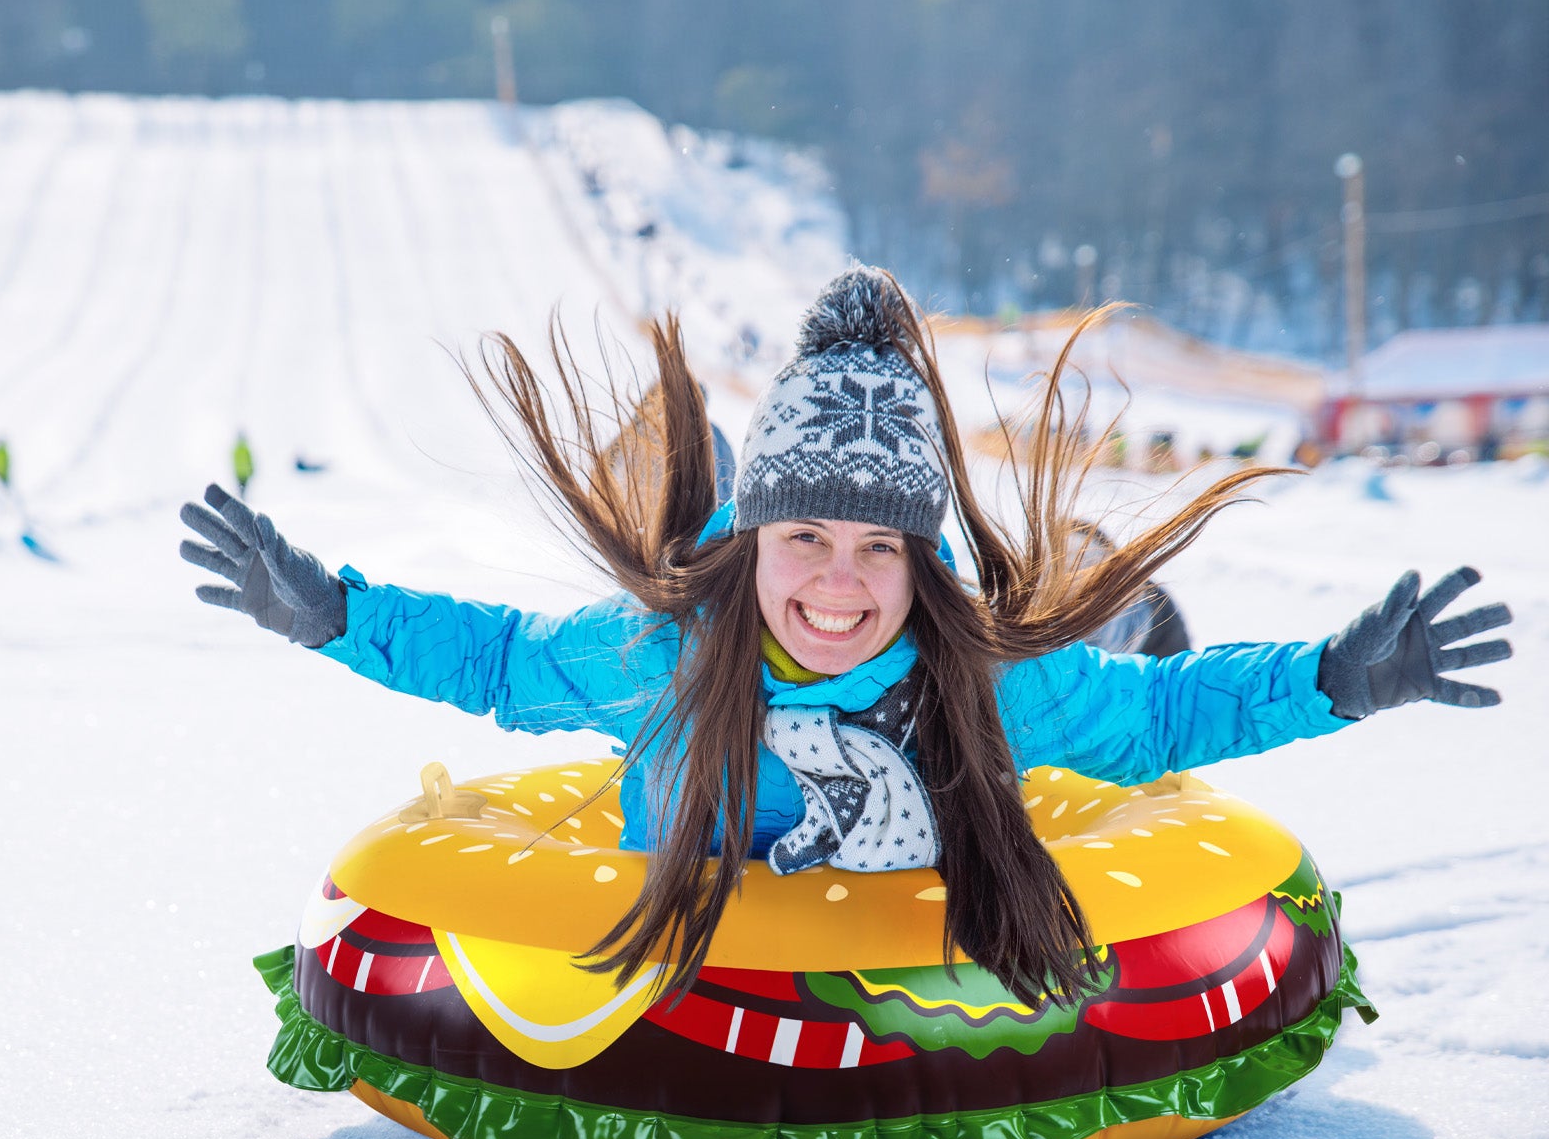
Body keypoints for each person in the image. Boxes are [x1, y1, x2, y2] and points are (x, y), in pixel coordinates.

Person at [179, 266, 1513, 1006]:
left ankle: (1129, 615)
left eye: (882, 547)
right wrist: (335, 613)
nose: (839, 582)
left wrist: (1342, 680)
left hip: (918, 962)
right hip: (704, 971)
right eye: (807, 539)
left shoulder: (977, 681)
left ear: (923, 563)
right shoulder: (668, 658)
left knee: (1120, 697)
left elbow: (1168, 726)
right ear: (753, 541)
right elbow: (504, 663)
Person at [232, 432, 254, 500]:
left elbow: (234, 461)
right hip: (245, 472)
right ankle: (242, 498)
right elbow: (249, 460)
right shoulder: (245, 449)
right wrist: (251, 469)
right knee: (243, 487)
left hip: (238, 472)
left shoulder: (236, 449)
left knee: (241, 487)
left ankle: (241, 498)